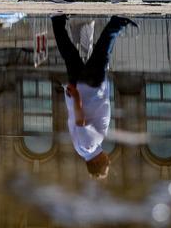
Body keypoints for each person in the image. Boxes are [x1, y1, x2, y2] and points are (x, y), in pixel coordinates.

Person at [53, 14, 133, 179]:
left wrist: (76, 97)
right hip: (83, 89)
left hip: (90, 89)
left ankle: (117, 22)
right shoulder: (82, 149)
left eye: (106, 164)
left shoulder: (88, 146)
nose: (109, 161)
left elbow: (80, 122)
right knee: (69, 53)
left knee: (102, 53)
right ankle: (57, 20)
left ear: (97, 163)